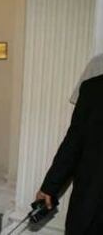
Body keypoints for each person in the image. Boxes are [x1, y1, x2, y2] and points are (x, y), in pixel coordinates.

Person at [36, 73, 103, 233]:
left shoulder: (93, 88)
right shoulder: (92, 88)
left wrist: (49, 187)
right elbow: (73, 144)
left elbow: (73, 144)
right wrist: (49, 187)